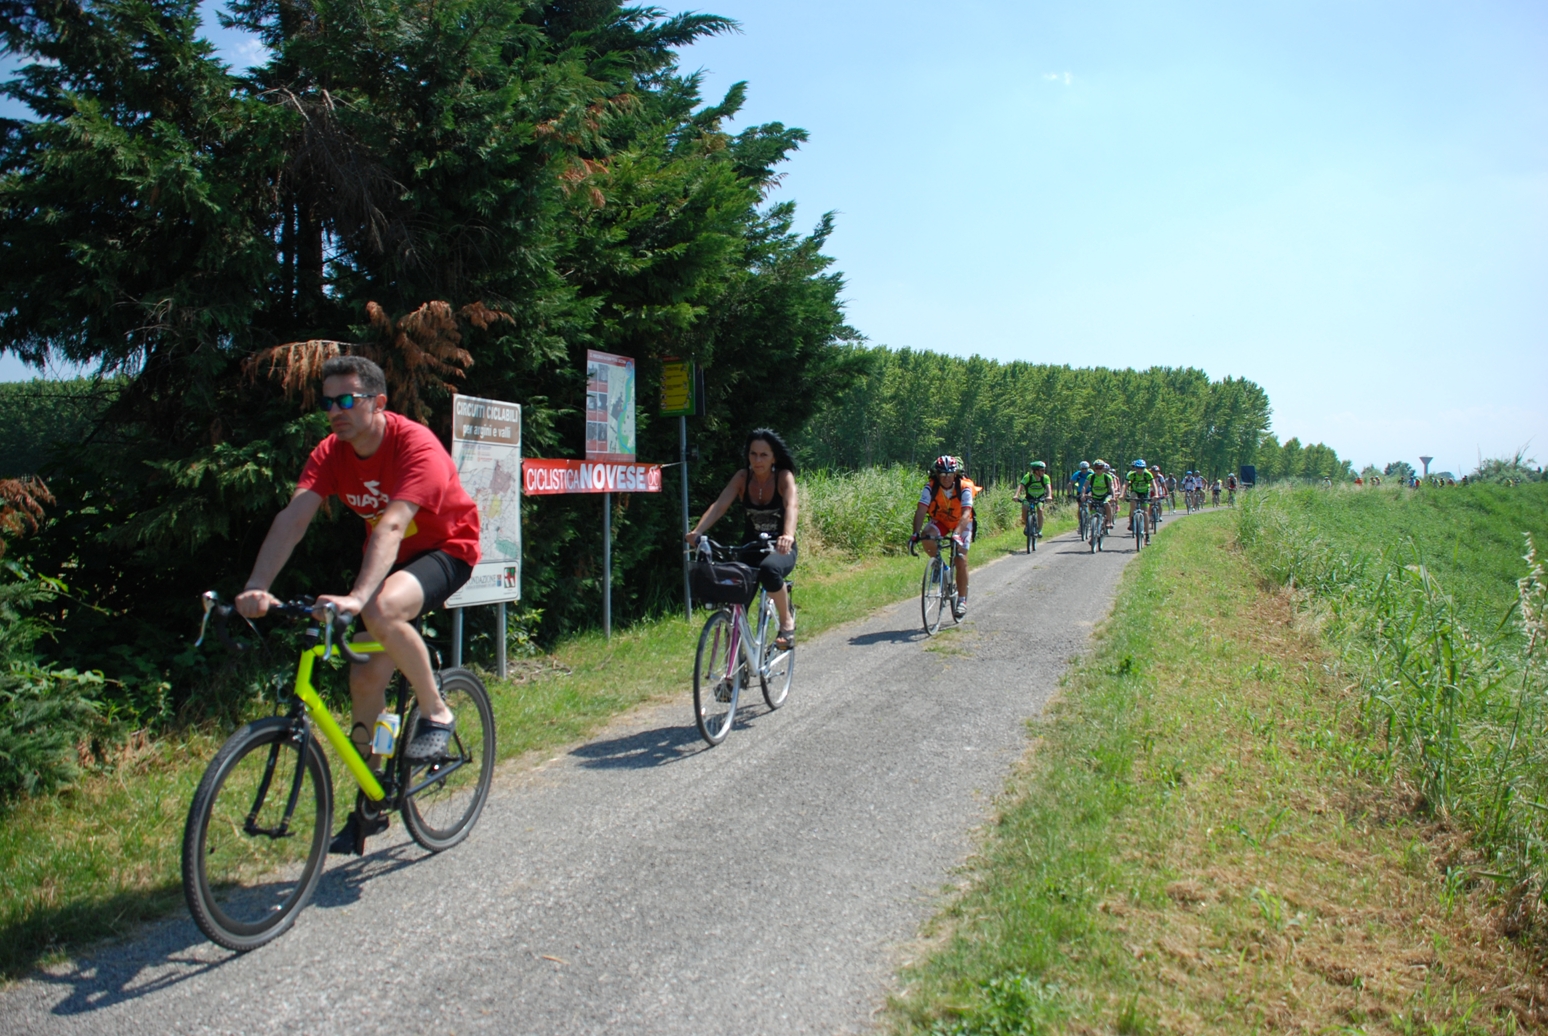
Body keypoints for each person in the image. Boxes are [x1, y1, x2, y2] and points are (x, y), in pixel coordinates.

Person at [236, 355, 481, 855]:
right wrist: (257, 585)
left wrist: (356, 596)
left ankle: (437, 711)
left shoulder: (414, 445)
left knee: (381, 608)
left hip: (447, 550)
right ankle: (371, 803)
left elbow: (392, 524)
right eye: (327, 402)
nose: (335, 411)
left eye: (347, 399)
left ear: (379, 402)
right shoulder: (331, 452)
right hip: (390, 559)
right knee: (365, 679)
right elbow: (293, 519)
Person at [686, 429, 800, 648]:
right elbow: (719, 506)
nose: (757, 460)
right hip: (750, 548)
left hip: (780, 548)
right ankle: (735, 660)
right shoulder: (742, 477)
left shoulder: (783, 477)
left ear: (774, 457)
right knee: (735, 598)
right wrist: (697, 532)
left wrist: (787, 535)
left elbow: (791, 506)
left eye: (764, 455)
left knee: (769, 570)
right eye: (753, 454)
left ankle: (786, 622)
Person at [911, 456, 975, 618]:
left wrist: (957, 534)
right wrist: (915, 534)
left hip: (962, 523)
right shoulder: (930, 488)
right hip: (942, 521)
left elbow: (966, 513)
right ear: (937, 474)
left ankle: (962, 601)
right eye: (942, 474)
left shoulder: (965, 487)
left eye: (950, 474)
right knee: (926, 536)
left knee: (960, 558)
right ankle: (941, 566)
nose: (946, 477)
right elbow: (921, 510)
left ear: (956, 474)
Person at [1016, 460, 1054, 542]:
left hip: (1040, 498)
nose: (1044, 472)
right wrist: (1016, 495)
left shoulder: (1045, 478)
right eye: (1042, 470)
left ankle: (1039, 530)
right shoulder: (1028, 477)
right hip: (1029, 497)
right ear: (1036, 471)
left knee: (1040, 510)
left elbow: (1048, 487)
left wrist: (1049, 496)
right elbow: (1021, 486)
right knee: (1024, 508)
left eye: (1044, 470)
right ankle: (1027, 525)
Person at [1125, 459, 1156, 544]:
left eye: (1142, 468)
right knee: (1132, 499)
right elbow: (1125, 485)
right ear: (1135, 468)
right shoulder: (1131, 475)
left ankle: (1147, 535)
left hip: (1145, 493)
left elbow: (1154, 484)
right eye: (1138, 468)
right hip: (1135, 491)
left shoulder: (1147, 474)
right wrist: (1122, 494)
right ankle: (1132, 520)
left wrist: (1156, 494)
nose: (1140, 470)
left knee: (1145, 513)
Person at [1088, 459, 1117, 531]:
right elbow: (1084, 487)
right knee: (1090, 503)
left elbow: (1111, 488)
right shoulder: (1091, 476)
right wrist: (1083, 494)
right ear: (1094, 469)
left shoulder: (1107, 477)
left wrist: (1113, 497)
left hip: (1105, 495)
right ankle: (1092, 516)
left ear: (1103, 468)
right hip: (1095, 495)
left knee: (1106, 503)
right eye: (1096, 468)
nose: (1098, 470)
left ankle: (1109, 521)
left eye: (1100, 468)